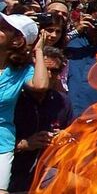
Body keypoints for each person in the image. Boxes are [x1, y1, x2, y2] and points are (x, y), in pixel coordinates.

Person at [9, 46, 72, 192]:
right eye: (44, 69)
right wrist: (24, 144)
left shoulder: (62, 102)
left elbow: (71, 135)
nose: (48, 75)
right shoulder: (11, 99)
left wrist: (63, 137)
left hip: (45, 171)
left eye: (55, 71)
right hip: (12, 172)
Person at [0, 13, 48, 193]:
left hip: (1, 143)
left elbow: (41, 84)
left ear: (17, 40)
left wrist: (39, 51)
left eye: (3, 27)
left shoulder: (21, 71)